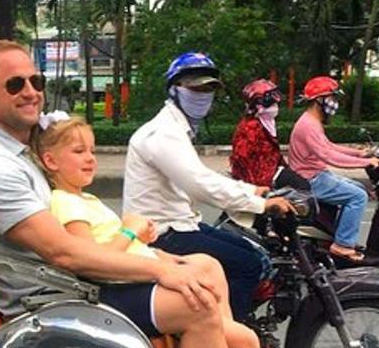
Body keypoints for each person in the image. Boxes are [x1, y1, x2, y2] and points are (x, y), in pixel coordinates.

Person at [0, 41, 336, 348]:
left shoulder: (21, 155)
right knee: (196, 301)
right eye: (15, 83)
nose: (30, 91)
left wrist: (164, 262)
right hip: (50, 302)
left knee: (207, 273)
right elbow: (64, 252)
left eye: (36, 81)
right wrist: (158, 266)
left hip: (72, 284)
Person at [122, 52, 293, 321]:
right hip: (161, 232)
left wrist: (250, 190)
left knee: (255, 251)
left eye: (209, 89)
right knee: (248, 265)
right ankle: (229, 335)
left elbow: (200, 175)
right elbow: (199, 184)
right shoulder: (163, 133)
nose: (203, 95)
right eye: (195, 87)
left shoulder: (177, 129)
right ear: (174, 90)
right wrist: (260, 204)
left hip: (181, 223)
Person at [286, 76, 379, 262]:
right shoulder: (308, 125)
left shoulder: (311, 121)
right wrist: (365, 163)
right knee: (358, 196)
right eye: (332, 98)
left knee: (359, 189)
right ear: (319, 100)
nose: (334, 103)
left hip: (316, 174)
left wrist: (358, 154)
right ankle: (342, 244)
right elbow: (328, 156)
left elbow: (329, 147)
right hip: (311, 179)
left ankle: (334, 235)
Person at [229, 78, 311, 192]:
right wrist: (259, 187)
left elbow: (274, 154)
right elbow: (242, 160)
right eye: (271, 102)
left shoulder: (266, 123)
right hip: (261, 178)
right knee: (302, 188)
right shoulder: (250, 128)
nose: (275, 105)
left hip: (272, 171)